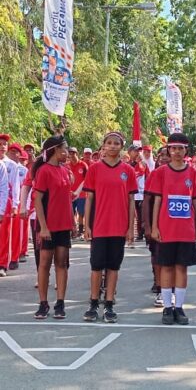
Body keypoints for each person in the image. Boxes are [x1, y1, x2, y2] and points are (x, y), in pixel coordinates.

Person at [83, 132, 138, 323]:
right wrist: (86, 225)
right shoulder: (94, 169)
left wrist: (131, 227)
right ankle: (93, 303)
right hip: (99, 225)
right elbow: (89, 198)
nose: (113, 146)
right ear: (103, 146)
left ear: (122, 146)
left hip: (119, 226)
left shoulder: (128, 171)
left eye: (117, 143)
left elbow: (131, 201)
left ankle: (109, 304)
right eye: (109, 143)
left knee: (114, 266)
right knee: (96, 266)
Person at [149, 133, 196, 325]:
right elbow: (157, 200)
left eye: (181, 148)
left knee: (182, 268)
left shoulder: (193, 173)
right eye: (174, 148)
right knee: (167, 268)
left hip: (185, 229)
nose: (177, 152)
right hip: (166, 228)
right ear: (168, 150)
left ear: (186, 150)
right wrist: (154, 226)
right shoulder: (161, 173)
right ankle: (167, 307)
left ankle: (179, 307)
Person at [32, 136, 73, 319]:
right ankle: (43, 303)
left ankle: (60, 303)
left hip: (64, 225)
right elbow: (38, 200)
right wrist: (43, 227)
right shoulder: (44, 171)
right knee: (44, 264)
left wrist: (71, 222)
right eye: (65, 149)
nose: (67, 152)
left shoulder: (65, 170)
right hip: (48, 226)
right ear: (55, 150)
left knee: (62, 264)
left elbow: (66, 200)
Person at [142, 146, 170, 306]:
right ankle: (159, 285)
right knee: (157, 257)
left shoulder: (177, 174)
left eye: (167, 155)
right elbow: (146, 201)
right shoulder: (154, 175)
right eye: (162, 156)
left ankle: (170, 288)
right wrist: (146, 225)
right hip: (156, 224)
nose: (165, 158)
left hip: (172, 225)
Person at [0, 134, 21, 277]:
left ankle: (2, 264)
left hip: (6, 202)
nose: (2, 147)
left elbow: (15, 188)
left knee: (4, 235)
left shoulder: (11, 165)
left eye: (4, 145)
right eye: (0, 144)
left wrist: (15, 205)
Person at [128, 146, 149, 243]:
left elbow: (147, 178)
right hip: (129, 194)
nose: (137, 153)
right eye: (135, 151)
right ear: (129, 152)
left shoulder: (143, 164)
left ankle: (141, 234)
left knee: (141, 215)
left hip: (141, 194)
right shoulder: (127, 165)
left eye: (138, 151)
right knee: (129, 214)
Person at [67, 147, 88, 240]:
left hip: (82, 194)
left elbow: (87, 179)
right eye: (70, 153)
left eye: (73, 153)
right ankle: (73, 231)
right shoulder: (67, 166)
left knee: (81, 213)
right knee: (71, 213)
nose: (71, 155)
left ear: (77, 153)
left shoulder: (83, 165)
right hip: (70, 194)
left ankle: (80, 231)